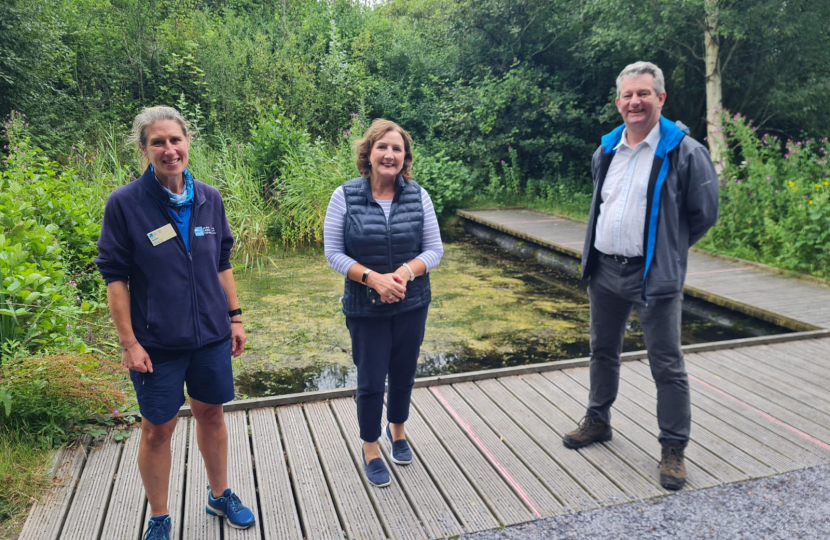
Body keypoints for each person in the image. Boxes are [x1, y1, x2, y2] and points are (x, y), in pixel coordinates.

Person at [95, 106, 256, 539]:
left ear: (188, 142)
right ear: (144, 150)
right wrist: (129, 342)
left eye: (175, 140)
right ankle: (160, 516)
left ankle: (219, 495)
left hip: (210, 337)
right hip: (157, 343)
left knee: (212, 416)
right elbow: (115, 278)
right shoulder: (125, 204)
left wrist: (235, 317)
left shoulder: (209, 197)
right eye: (158, 142)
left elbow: (222, 263)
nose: (169, 149)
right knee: (157, 431)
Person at [562, 62, 719, 491]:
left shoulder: (684, 152)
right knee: (602, 350)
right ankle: (598, 420)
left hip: (654, 277)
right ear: (618, 102)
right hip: (605, 270)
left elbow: (704, 215)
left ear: (661, 98)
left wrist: (667, 250)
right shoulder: (606, 151)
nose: (635, 101)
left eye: (644, 94)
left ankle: (673, 448)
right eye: (628, 95)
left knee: (666, 365)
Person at [323, 119, 443, 487]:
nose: (389, 154)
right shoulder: (344, 195)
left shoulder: (418, 195)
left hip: (412, 303)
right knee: (372, 380)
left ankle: (398, 430)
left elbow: (434, 250)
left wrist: (404, 273)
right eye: (382, 147)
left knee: (404, 373)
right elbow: (333, 253)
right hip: (365, 307)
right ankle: (370, 446)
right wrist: (372, 278)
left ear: (404, 157)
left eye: (397, 149)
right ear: (369, 153)